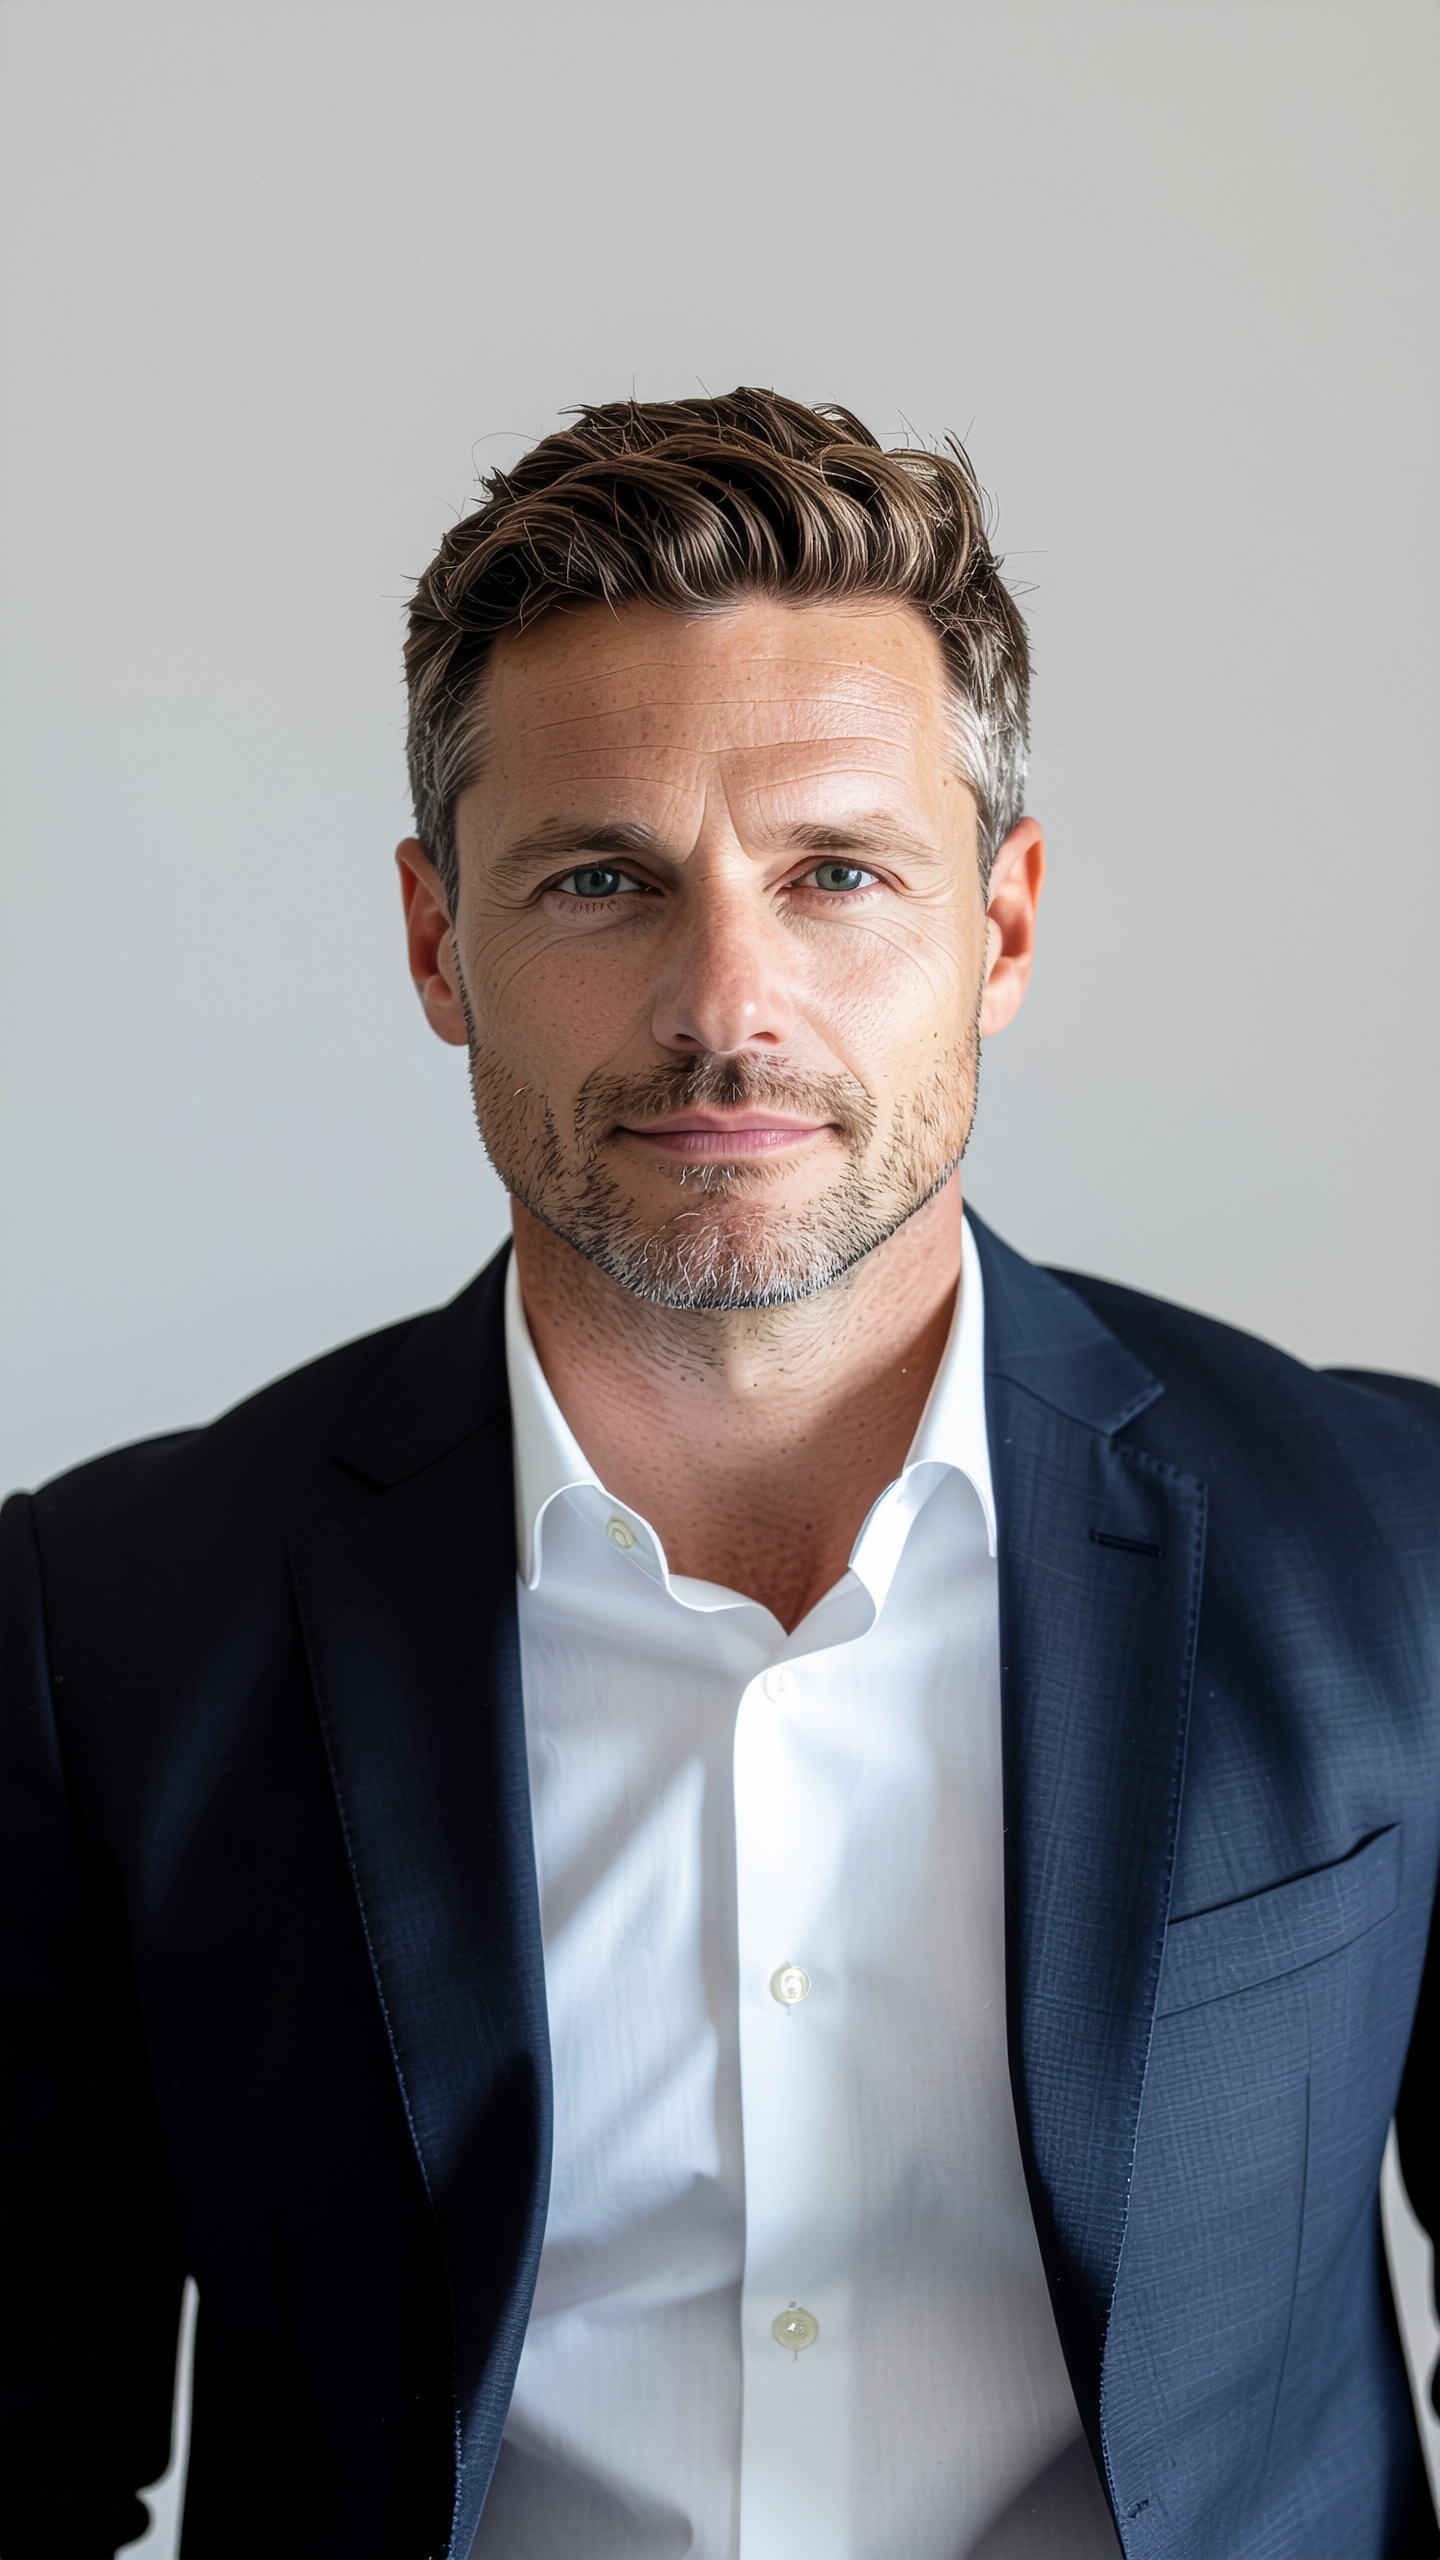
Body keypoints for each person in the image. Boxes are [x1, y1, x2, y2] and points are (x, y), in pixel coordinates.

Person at [2, 390, 1435, 2560]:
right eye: (603, 879)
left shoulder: (1398, 1542)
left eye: (836, 874)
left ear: (1006, 923)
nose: (724, 1002)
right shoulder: (107, 1625)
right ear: (434, 942)